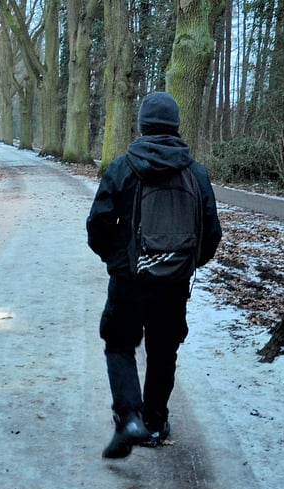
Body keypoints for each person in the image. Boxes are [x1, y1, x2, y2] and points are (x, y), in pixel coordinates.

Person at [86, 92, 222, 459]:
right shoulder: (195, 172)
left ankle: (130, 417)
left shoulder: (122, 167)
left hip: (130, 281)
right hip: (174, 284)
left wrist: (119, 261)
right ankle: (157, 421)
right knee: (164, 351)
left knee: (119, 343)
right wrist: (184, 264)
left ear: (143, 126)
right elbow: (211, 233)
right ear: (176, 127)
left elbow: (97, 224)